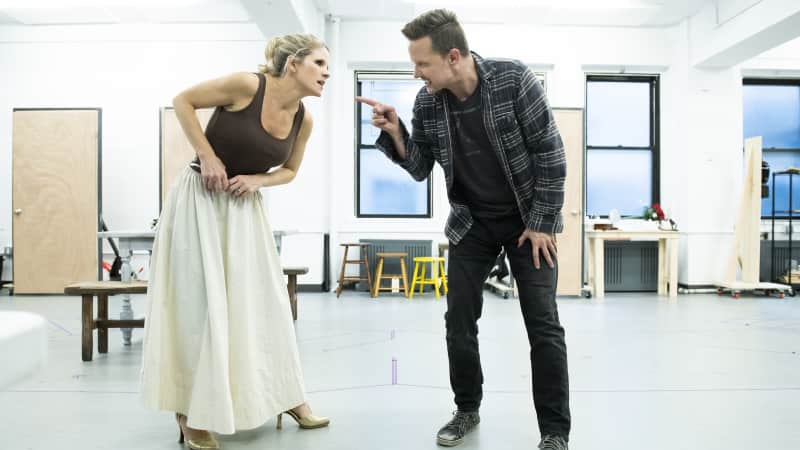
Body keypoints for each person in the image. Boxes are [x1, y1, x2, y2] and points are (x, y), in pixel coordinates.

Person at [356, 9, 571, 450]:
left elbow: (551, 155)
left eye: (422, 64)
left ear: (453, 56)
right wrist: (397, 132)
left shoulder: (514, 81)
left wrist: (541, 223)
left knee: (543, 325)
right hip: (472, 222)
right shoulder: (429, 103)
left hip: (528, 222)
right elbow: (419, 167)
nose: (416, 74)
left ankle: (554, 432)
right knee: (458, 321)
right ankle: (466, 409)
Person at [140, 33, 330, 450]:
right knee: (197, 307)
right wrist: (207, 154)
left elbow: (290, 170)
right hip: (199, 201)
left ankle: (288, 396)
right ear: (294, 64)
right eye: (319, 63)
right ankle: (189, 414)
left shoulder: (305, 119)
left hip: (245, 209)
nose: (327, 72)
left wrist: (260, 179)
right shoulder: (248, 85)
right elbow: (182, 100)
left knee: (265, 304)